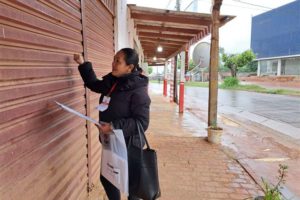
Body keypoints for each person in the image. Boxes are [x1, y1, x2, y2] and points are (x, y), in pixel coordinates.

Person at [74, 48, 150, 200]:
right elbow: (94, 84)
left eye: (118, 61)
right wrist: (82, 64)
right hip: (112, 141)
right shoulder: (114, 82)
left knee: (131, 187)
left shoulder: (138, 90)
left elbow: (142, 122)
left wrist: (114, 126)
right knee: (108, 179)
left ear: (130, 67)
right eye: (114, 59)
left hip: (129, 145)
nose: (113, 64)